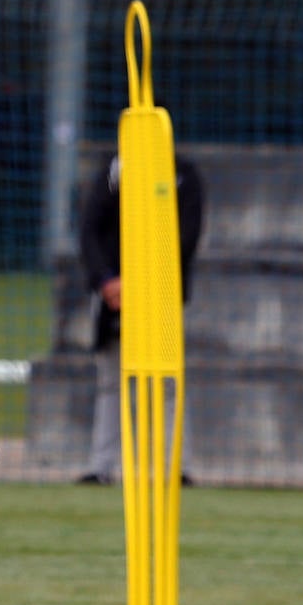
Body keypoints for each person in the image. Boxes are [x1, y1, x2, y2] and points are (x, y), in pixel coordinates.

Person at [77, 151, 204, 485]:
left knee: (167, 383)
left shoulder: (182, 174)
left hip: (162, 293)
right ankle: (101, 468)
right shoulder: (114, 170)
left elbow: (184, 239)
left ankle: (175, 468)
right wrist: (107, 281)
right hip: (113, 296)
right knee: (111, 380)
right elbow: (90, 229)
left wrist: (145, 282)